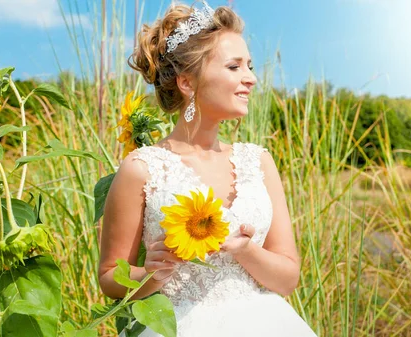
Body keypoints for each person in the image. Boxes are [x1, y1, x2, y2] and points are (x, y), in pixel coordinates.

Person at [99, 1, 317, 336]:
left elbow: (287, 279)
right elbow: (110, 278)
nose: (251, 79)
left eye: (250, 66)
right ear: (187, 83)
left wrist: (245, 249)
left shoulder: (258, 161)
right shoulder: (141, 168)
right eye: (234, 67)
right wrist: (153, 273)